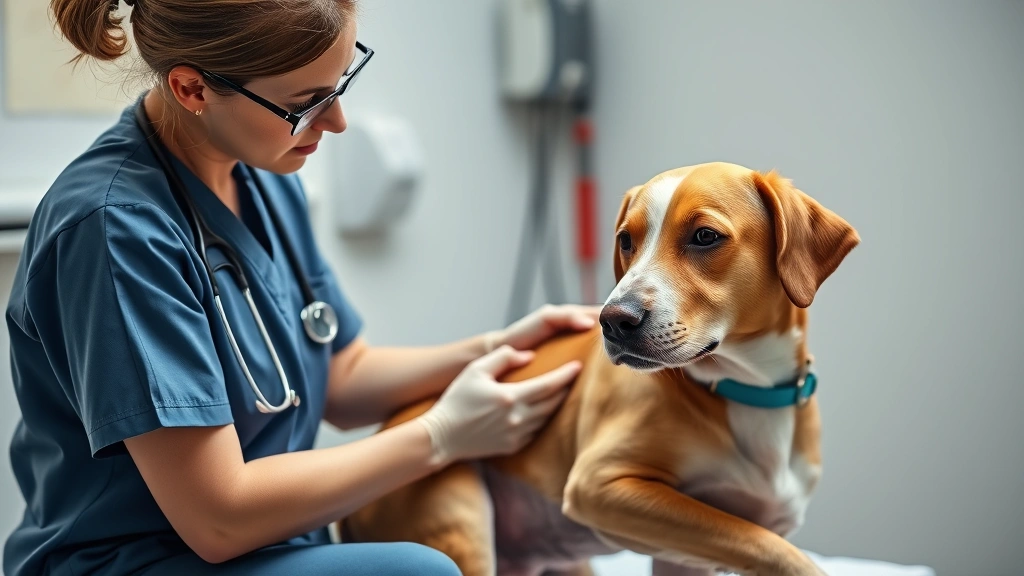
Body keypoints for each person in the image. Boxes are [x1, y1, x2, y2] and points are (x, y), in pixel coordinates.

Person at [2, 1, 598, 574]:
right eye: (305, 103)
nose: (336, 122)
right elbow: (218, 518)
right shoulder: (115, 231)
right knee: (417, 571)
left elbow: (341, 375)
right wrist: (441, 435)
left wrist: (495, 347)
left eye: (341, 84)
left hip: (270, 543)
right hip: (141, 560)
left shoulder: (261, 169)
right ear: (193, 89)